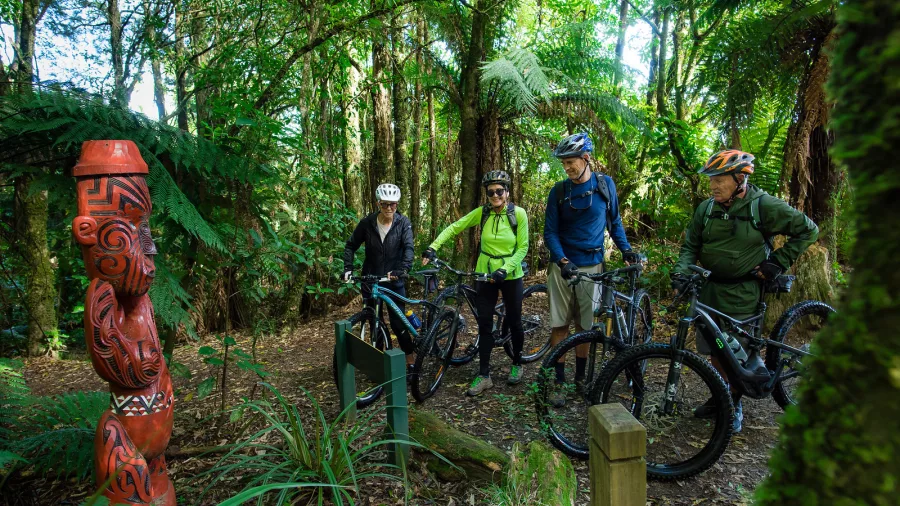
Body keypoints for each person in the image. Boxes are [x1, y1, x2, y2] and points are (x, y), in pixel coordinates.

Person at [672, 149, 818, 433]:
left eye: (719, 180)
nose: (712, 186)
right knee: (714, 348)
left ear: (740, 179)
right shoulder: (706, 209)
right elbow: (690, 247)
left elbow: (808, 230)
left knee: (739, 351)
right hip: (710, 291)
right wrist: (681, 272)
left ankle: (734, 402)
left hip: (744, 292)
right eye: (711, 180)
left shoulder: (762, 206)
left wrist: (777, 261)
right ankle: (721, 396)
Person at [544, 133, 640, 407]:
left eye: (571, 162)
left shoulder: (605, 186)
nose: (566, 168)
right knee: (560, 324)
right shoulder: (559, 191)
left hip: (593, 266)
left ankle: (580, 378)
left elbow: (615, 223)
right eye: (563, 163)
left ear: (586, 159)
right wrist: (563, 262)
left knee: (585, 326)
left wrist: (627, 251)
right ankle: (559, 382)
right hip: (563, 267)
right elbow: (550, 232)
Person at [422, 171, 529, 396]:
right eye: (491, 192)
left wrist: (505, 269)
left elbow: (522, 248)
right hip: (484, 274)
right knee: (484, 324)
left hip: (510, 275)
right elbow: (455, 227)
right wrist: (433, 247)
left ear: (507, 192)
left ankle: (517, 363)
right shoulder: (483, 213)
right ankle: (484, 375)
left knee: (515, 320)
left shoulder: (518, 214)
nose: (495, 195)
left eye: (499, 191)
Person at [343, 183, 416, 373]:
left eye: (393, 204)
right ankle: (378, 363)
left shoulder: (403, 223)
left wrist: (402, 269)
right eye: (385, 204)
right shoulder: (367, 223)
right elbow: (351, 245)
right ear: (378, 204)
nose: (389, 208)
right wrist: (348, 268)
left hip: (393, 280)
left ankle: (411, 360)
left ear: (397, 204)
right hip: (371, 279)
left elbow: (408, 248)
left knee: (398, 323)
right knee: (373, 321)